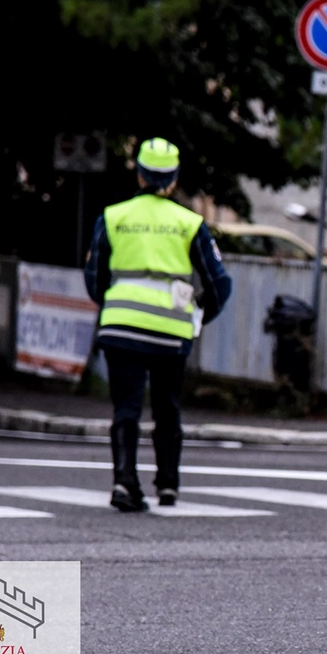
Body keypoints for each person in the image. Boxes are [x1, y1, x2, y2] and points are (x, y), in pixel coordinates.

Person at [83, 138, 233, 512]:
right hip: (171, 332)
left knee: (126, 407)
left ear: (138, 173)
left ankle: (124, 482)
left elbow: (94, 275)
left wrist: (112, 306)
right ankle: (168, 486)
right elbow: (219, 283)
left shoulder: (113, 217)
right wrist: (199, 317)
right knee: (167, 407)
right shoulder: (189, 223)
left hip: (120, 328)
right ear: (174, 178)